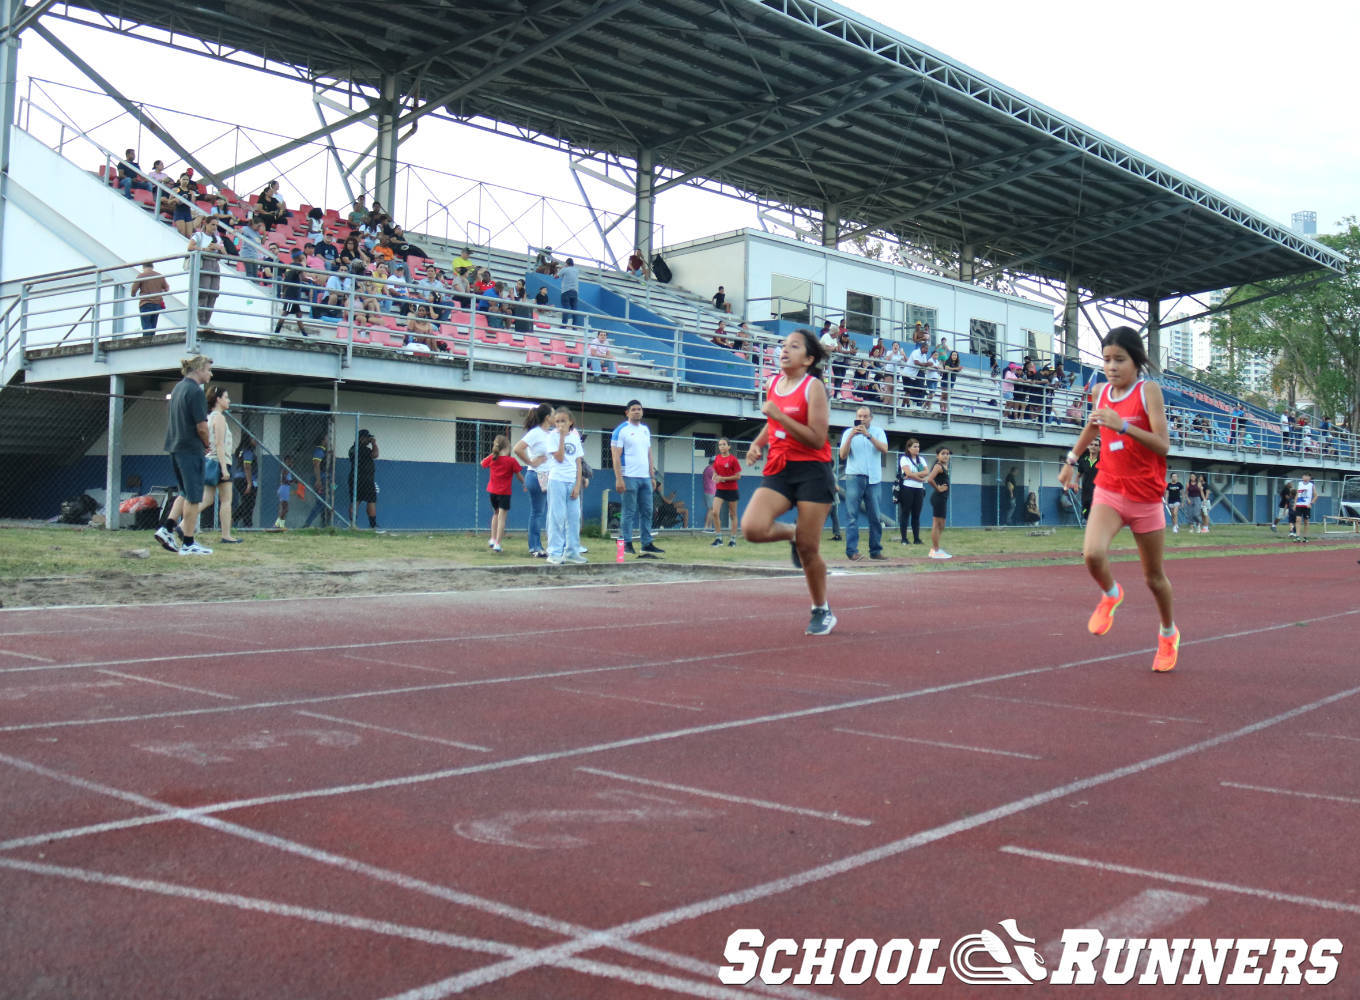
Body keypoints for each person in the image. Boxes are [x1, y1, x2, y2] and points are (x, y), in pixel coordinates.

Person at [1057, 325, 1179, 673]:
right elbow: (1093, 427)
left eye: (1120, 360)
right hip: (1110, 489)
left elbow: (1163, 445)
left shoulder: (1148, 391)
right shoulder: (1100, 392)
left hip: (1145, 497)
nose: (1112, 366)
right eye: (1107, 359)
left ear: (1136, 361)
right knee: (1093, 554)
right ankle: (1111, 594)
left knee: (1154, 578)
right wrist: (1070, 461)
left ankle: (1168, 633)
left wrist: (1123, 425)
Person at [740, 328, 837, 636]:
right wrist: (757, 443)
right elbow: (771, 425)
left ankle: (821, 609)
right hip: (780, 468)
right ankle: (793, 533)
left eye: (794, 347)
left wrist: (780, 416)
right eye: (783, 346)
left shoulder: (814, 388)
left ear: (808, 359)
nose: (784, 350)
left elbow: (816, 438)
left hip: (812, 470)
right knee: (752, 528)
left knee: (810, 549)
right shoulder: (773, 383)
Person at [152, 355, 214, 556]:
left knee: (185, 492)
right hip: (190, 448)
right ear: (197, 370)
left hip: (175, 446)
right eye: (208, 370)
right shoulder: (195, 391)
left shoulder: (178, 388)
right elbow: (202, 426)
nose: (210, 374)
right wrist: (207, 444)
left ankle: (167, 528)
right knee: (194, 497)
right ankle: (188, 543)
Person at [611, 399, 663, 556]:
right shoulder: (621, 430)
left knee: (647, 511)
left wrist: (652, 476)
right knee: (628, 511)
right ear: (627, 412)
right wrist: (619, 478)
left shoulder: (645, 430)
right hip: (629, 476)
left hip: (645, 478)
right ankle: (625, 544)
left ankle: (646, 543)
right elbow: (615, 456)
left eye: (639, 409)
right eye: (633, 409)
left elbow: (649, 453)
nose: (637, 411)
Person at [838, 405, 888, 561]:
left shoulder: (878, 432)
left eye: (865, 416)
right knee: (852, 515)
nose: (862, 419)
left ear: (871, 418)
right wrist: (851, 437)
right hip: (854, 477)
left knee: (875, 516)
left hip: (873, 479)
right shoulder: (848, 432)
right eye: (860, 416)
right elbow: (843, 455)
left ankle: (875, 550)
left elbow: (884, 449)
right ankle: (852, 551)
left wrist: (868, 436)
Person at [544, 407, 587, 564]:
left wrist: (577, 485)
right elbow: (560, 458)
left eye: (563, 421)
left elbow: (578, 463)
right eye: (557, 421)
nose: (560, 424)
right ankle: (554, 552)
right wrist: (561, 437)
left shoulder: (575, 438)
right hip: (557, 480)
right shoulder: (552, 437)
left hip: (571, 481)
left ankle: (572, 551)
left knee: (574, 517)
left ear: (570, 422)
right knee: (557, 516)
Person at [512, 403, 554, 558]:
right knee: (538, 512)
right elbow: (517, 448)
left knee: (549, 512)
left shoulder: (550, 433)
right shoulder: (536, 433)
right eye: (553, 414)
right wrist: (530, 462)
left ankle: (548, 545)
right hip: (538, 475)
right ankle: (535, 547)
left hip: (549, 475)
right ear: (547, 417)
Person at [200, 385, 239, 544]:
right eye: (226, 397)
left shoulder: (209, 417)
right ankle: (226, 535)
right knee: (226, 500)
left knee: (207, 499)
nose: (228, 400)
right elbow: (220, 444)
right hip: (221, 462)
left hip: (211, 461)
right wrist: (224, 468)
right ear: (218, 399)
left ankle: (182, 525)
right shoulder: (220, 418)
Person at [481, 434, 524, 553]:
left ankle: (492, 538)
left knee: (495, 514)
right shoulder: (511, 461)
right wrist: (525, 483)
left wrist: (493, 454)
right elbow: (519, 476)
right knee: (502, 518)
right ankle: (498, 544)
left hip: (492, 492)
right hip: (504, 493)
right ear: (507, 447)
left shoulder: (492, 459)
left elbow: (482, 463)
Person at [187, 216, 223, 329]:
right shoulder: (199, 235)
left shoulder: (217, 238)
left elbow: (224, 253)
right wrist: (204, 249)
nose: (214, 227)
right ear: (206, 224)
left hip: (215, 265)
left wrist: (219, 247)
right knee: (203, 293)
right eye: (212, 224)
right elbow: (190, 247)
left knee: (213, 294)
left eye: (216, 225)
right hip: (204, 264)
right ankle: (201, 322)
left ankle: (206, 323)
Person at [709, 437, 742, 547]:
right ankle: (719, 538)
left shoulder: (733, 460)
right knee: (714, 512)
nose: (721, 447)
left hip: (732, 490)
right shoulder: (717, 458)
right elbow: (715, 472)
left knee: (732, 515)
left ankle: (733, 540)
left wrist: (724, 478)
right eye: (720, 445)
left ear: (729, 446)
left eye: (724, 444)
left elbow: (738, 476)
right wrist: (715, 476)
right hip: (720, 490)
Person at [896, 437, 929, 544]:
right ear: (909, 448)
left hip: (919, 489)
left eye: (918, 446)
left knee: (916, 514)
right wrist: (920, 478)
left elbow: (926, 472)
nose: (917, 449)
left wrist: (912, 475)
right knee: (905, 513)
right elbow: (907, 473)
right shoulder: (904, 458)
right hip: (907, 488)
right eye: (915, 446)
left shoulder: (921, 459)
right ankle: (904, 538)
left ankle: (916, 538)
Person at [347, 428, 379, 529]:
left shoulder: (352, 448)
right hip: (366, 479)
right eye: (367, 438)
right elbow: (375, 454)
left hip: (354, 478)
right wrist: (374, 443)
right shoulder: (363, 449)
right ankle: (373, 525)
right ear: (362, 438)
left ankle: (353, 524)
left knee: (355, 500)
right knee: (371, 500)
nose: (369, 440)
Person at [924, 447, 952, 559]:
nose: (945, 455)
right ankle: (936, 550)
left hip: (943, 499)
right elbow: (930, 479)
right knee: (936, 524)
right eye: (943, 453)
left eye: (947, 453)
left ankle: (934, 548)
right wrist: (938, 488)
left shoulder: (945, 467)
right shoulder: (938, 466)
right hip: (938, 498)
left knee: (942, 525)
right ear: (937, 456)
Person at [302, 433, 333, 529]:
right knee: (321, 503)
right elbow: (316, 465)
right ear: (323, 440)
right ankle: (307, 524)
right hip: (322, 479)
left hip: (328, 479)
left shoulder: (325, 451)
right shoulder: (319, 451)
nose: (329, 441)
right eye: (327, 439)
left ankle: (325, 524)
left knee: (328, 501)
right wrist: (318, 480)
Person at [130, 261, 169, 336]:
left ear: (143, 267)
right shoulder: (159, 276)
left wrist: (133, 294)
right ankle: (152, 340)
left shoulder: (141, 276)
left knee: (146, 326)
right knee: (153, 326)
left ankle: (147, 343)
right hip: (157, 304)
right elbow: (167, 288)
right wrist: (159, 291)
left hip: (146, 303)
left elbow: (133, 290)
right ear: (152, 267)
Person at [232, 433, 258, 528]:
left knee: (247, 503)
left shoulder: (241, 451)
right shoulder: (247, 451)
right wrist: (249, 483)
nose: (256, 441)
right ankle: (243, 523)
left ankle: (245, 523)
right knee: (248, 504)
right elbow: (247, 466)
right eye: (253, 439)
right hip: (245, 480)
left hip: (239, 479)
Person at [1076, 438, 1100, 521]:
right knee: (1086, 514)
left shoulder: (1102, 461)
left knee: (1096, 516)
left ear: (1099, 448)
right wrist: (1076, 484)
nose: (1093, 447)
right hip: (1085, 494)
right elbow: (1078, 475)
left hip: (1098, 493)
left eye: (1096, 445)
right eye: (1091, 444)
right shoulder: (1083, 461)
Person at [559, 258, 581, 327]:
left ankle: (564, 324)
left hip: (566, 291)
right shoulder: (576, 270)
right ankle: (574, 326)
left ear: (566, 263)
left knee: (566, 307)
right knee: (574, 309)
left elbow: (556, 276)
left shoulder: (565, 269)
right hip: (575, 291)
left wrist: (562, 268)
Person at [1293, 472, 1315, 543]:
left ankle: (1305, 537)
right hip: (1299, 505)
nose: (1305, 477)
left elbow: (1316, 495)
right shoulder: (1299, 484)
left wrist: (1311, 503)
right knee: (1298, 519)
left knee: (1306, 521)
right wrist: (1294, 504)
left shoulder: (1311, 485)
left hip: (1306, 506)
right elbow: (1297, 494)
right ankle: (1297, 536)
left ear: (1309, 478)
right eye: (1304, 476)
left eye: (1307, 476)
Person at [701, 453, 718, 533]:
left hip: (710, 491)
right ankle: (706, 528)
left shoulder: (708, 468)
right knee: (711, 509)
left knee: (712, 509)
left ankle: (709, 527)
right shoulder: (710, 469)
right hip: (710, 492)